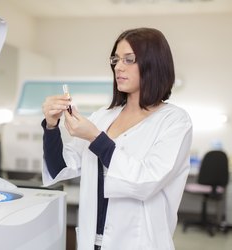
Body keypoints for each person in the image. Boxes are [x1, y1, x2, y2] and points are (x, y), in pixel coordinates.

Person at [41, 27, 192, 250]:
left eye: (129, 60)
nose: (118, 67)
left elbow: (146, 181)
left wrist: (95, 137)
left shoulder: (174, 121)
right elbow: (60, 167)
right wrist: (52, 126)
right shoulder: (103, 117)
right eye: (116, 59)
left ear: (154, 64)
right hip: (92, 242)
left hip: (139, 243)